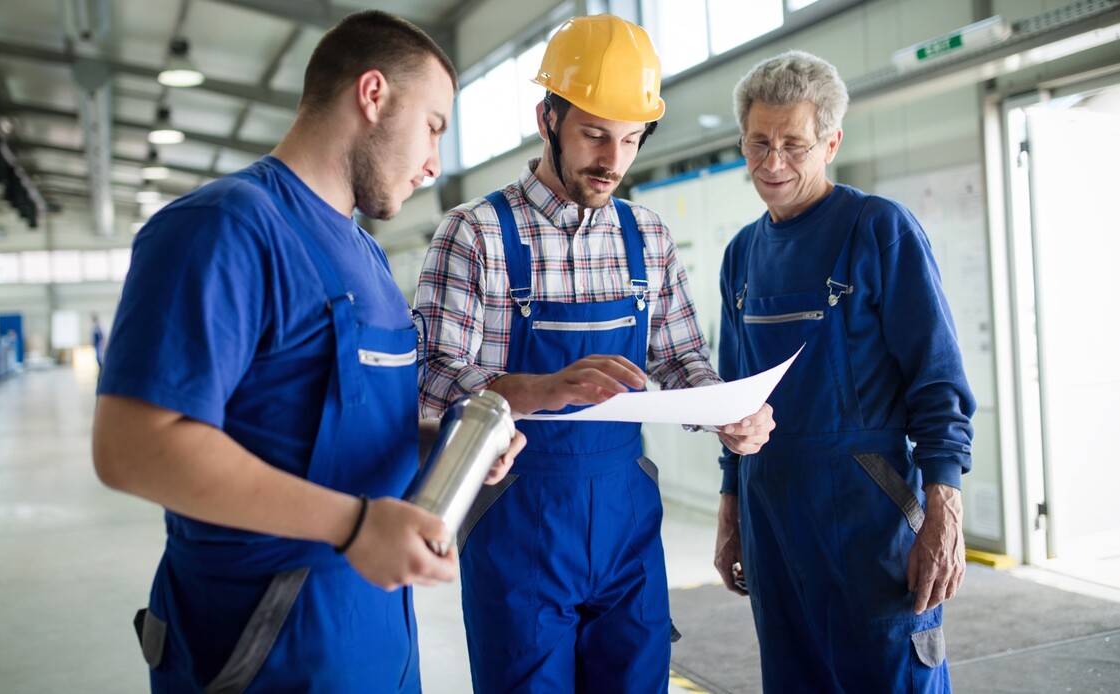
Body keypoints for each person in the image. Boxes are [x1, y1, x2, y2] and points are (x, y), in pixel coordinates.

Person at [92, 11, 523, 692]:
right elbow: (131, 446)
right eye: (434, 125)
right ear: (372, 95)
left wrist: (448, 449)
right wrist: (352, 525)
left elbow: (323, 430)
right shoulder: (224, 228)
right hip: (260, 646)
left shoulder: (368, 259)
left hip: (374, 634)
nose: (436, 160)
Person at [416, 14, 774, 692]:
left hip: (625, 526)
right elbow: (428, 382)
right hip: (516, 521)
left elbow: (679, 360)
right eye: (593, 134)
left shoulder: (648, 236)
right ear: (546, 117)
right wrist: (539, 389)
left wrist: (729, 409)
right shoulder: (475, 235)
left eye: (630, 139)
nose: (612, 160)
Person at [712, 50, 976, 692]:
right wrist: (731, 506)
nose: (773, 163)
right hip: (770, 511)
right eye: (759, 143)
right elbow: (732, 395)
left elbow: (937, 379)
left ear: (830, 141)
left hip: (870, 514)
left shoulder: (879, 231)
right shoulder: (741, 254)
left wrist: (944, 504)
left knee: (890, 676)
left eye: (794, 144)